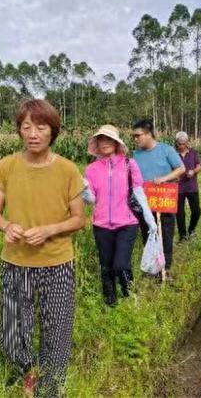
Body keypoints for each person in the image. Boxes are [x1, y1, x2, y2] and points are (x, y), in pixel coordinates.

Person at [0, 99, 85, 397]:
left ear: (52, 131)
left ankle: (51, 386)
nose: (32, 133)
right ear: (19, 130)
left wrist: (49, 230)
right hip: (15, 262)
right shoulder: (6, 167)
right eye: (26, 126)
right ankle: (27, 373)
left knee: (57, 327)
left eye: (40, 127)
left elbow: (79, 218)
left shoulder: (68, 170)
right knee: (13, 330)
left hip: (57, 262)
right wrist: (7, 226)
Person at [82, 125, 156, 306]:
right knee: (106, 266)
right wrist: (83, 189)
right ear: (97, 144)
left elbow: (139, 193)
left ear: (116, 143)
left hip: (127, 223)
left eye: (109, 139)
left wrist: (150, 220)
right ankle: (110, 302)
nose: (105, 143)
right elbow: (91, 199)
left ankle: (127, 291)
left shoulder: (129, 164)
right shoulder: (91, 169)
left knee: (121, 264)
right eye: (101, 139)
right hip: (101, 225)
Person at [132, 119, 185, 277]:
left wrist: (164, 178)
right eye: (133, 136)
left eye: (138, 135)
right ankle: (152, 267)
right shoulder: (136, 155)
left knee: (166, 234)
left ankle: (165, 268)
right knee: (148, 234)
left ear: (148, 134)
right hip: (145, 203)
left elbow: (181, 168)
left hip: (163, 201)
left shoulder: (166, 150)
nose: (135, 139)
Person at [174, 131, 201, 242]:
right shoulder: (173, 154)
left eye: (183, 143)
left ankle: (191, 229)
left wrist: (193, 171)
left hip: (192, 187)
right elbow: (170, 169)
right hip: (179, 188)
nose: (181, 146)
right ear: (176, 143)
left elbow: (199, 166)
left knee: (196, 211)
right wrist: (174, 177)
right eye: (179, 144)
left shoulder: (193, 153)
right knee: (180, 213)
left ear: (187, 142)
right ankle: (182, 236)